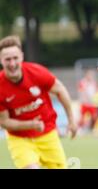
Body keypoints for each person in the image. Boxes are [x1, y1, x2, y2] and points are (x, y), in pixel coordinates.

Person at [0, 35, 77, 169]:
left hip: (48, 133)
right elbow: (4, 122)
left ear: (21, 57)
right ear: (1, 60)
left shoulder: (36, 72)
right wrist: (31, 124)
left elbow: (60, 90)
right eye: (7, 59)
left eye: (15, 58)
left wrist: (71, 119)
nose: (12, 64)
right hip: (19, 139)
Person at [77, 69, 98, 133]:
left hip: (92, 103)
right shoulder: (83, 82)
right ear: (87, 75)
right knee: (81, 118)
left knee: (95, 117)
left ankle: (94, 129)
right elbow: (81, 92)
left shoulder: (93, 83)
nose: (91, 76)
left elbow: (96, 92)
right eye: (90, 75)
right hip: (84, 103)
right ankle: (79, 130)